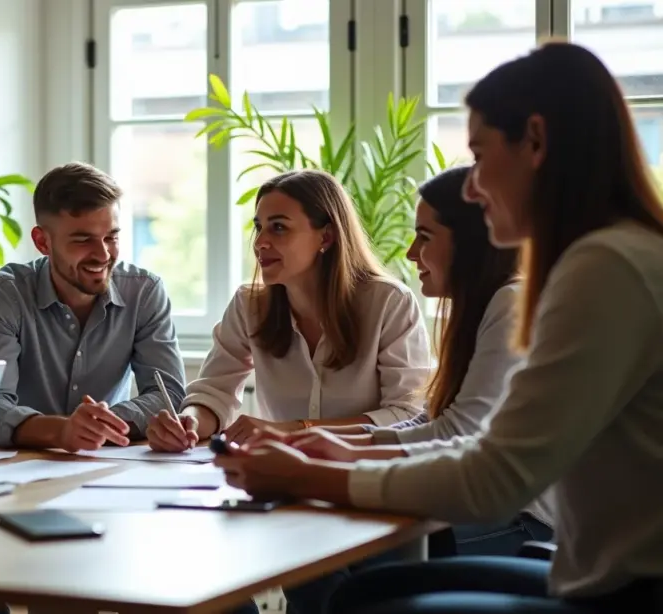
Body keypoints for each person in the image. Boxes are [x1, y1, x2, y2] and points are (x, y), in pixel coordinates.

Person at [216, 41, 663, 613]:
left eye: (479, 155)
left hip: (625, 592)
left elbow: (495, 476)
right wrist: (333, 455)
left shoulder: (604, 268)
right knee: (369, 591)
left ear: (535, 140)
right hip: (595, 572)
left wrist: (311, 476)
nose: (473, 187)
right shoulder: (614, 255)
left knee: (362, 600)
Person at [272, 165, 554, 559]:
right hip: (489, 506)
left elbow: (459, 432)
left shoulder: (510, 303)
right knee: (319, 542)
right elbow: (432, 420)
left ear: (470, 241)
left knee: (343, 552)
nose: (410, 253)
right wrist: (331, 443)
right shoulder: (480, 307)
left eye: (424, 236)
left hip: (527, 521)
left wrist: (336, 458)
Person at [146, 168, 432, 453]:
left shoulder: (389, 303)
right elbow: (214, 392)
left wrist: (295, 429)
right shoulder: (249, 305)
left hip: (365, 472)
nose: (260, 243)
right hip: (279, 473)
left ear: (326, 237)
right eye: (259, 227)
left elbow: (407, 415)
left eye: (279, 227)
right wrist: (189, 422)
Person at [0, 161, 185, 451]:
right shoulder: (4, 294)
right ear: (42, 241)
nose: (103, 254)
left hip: (109, 463)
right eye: (83, 240)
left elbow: (167, 395)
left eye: (112, 236)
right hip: (21, 469)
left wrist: (98, 425)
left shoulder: (144, 292)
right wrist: (63, 431)